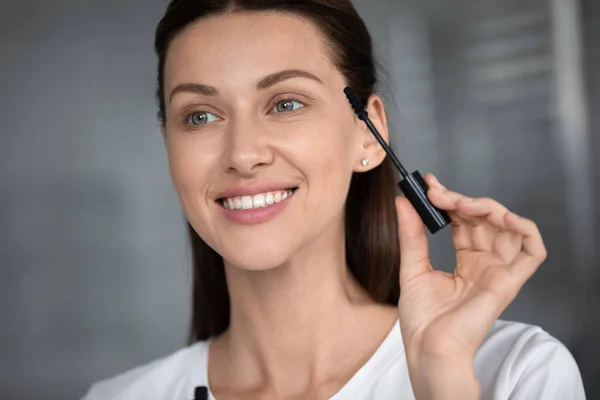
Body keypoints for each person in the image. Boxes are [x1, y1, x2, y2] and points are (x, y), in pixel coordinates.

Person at [82, 0, 586, 399]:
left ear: (369, 136)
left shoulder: (517, 374)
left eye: (285, 104)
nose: (242, 154)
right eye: (199, 116)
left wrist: (444, 382)